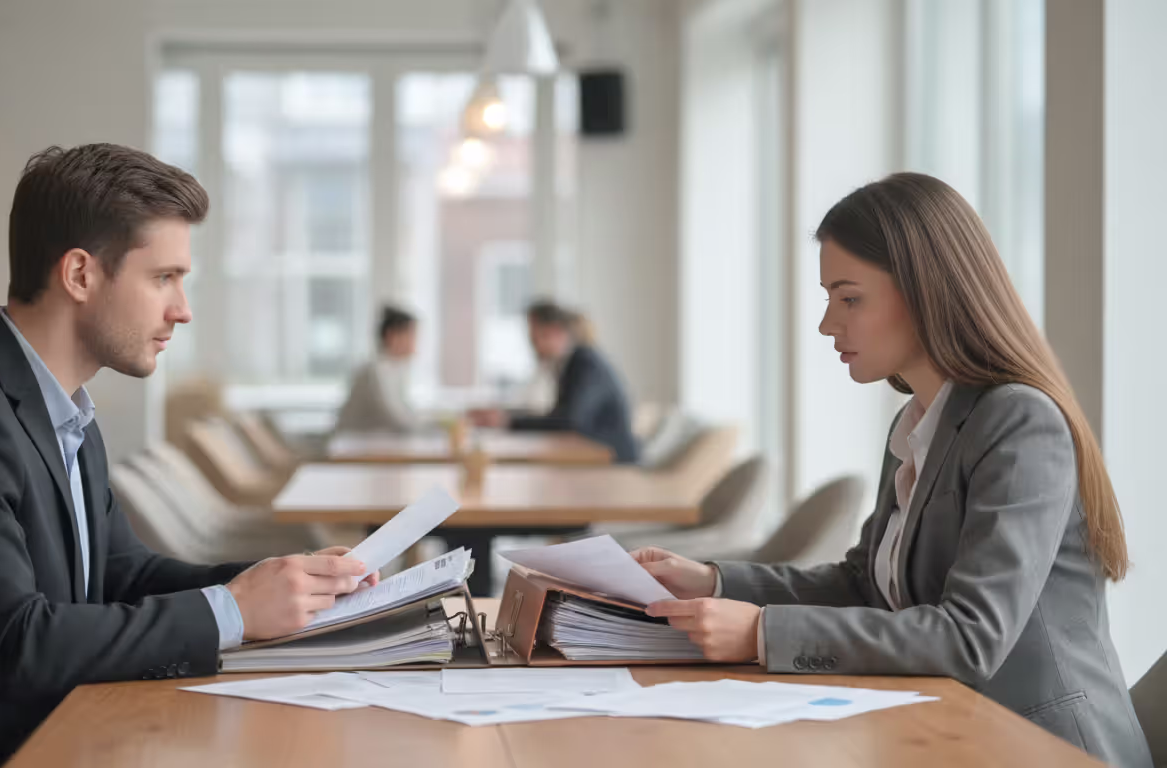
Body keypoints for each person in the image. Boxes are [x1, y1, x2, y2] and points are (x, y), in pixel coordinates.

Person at [0, 144, 377, 767]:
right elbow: (16, 642)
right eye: (163, 277)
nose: (182, 309)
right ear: (81, 274)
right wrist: (234, 611)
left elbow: (119, 576)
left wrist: (282, 584)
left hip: (53, 735)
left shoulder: (66, 411)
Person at [632, 173, 1151, 767]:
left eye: (849, 298)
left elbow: (969, 638)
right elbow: (864, 585)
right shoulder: (919, 423)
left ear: (927, 291)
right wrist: (713, 582)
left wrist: (761, 633)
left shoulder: (1018, 423)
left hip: (1044, 749)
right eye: (829, 298)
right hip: (951, 731)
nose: (829, 324)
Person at [470, 300, 638, 464]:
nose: (532, 346)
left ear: (554, 331)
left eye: (534, 337)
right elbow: (557, 416)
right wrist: (506, 416)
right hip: (593, 457)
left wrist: (507, 421)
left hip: (613, 462)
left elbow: (569, 422)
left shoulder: (584, 363)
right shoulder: (570, 363)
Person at [335, 305, 422, 433]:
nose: (415, 342)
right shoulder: (375, 371)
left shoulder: (397, 369)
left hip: (372, 443)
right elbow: (397, 419)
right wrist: (437, 425)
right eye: (412, 335)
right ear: (392, 335)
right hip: (351, 446)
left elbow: (407, 412)